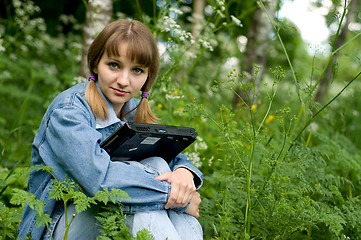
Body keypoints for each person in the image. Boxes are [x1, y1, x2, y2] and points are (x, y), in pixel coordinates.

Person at [17, 19, 203, 240]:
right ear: (96, 64)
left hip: (112, 216)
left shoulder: (132, 110)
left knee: (158, 164)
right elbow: (101, 181)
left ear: (147, 77)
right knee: (152, 195)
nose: (124, 81)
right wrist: (176, 197)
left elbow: (173, 157)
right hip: (57, 225)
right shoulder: (68, 112)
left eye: (136, 70)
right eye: (114, 65)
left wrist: (184, 172)